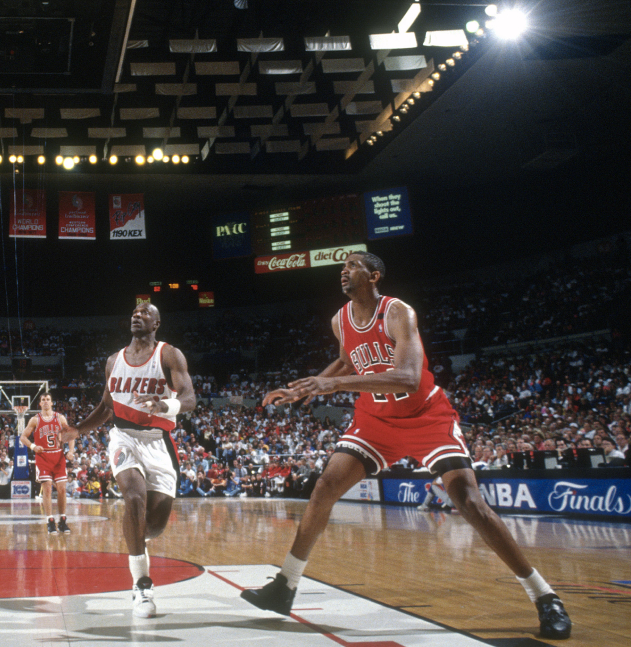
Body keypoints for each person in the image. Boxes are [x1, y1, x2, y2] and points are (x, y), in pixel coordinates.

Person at [240, 251, 572, 641]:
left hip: (426, 417)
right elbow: (348, 362)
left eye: (352, 266)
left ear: (374, 275)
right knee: (324, 488)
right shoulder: (340, 319)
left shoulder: (398, 313)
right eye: (341, 268)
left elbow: (410, 378)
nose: (343, 272)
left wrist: (334, 385)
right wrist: (302, 388)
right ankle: (285, 586)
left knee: (469, 502)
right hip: (375, 421)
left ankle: (544, 596)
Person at [60, 302, 196, 618]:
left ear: (157, 323)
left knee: (155, 525)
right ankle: (142, 586)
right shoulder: (113, 361)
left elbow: (189, 398)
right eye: (135, 312)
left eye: (145, 313)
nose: (137, 315)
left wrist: (164, 405)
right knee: (133, 498)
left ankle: (134, 536)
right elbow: (107, 407)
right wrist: (78, 430)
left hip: (158, 442)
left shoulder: (169, 355)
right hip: (124, 437)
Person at [20, 392, 76, 534]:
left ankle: (63, 520)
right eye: (43, 400)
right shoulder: (35, 419)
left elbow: (71, 435)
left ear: (52, 403)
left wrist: (71, 451)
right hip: (43, 457)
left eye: (48, 399)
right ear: (40, 403)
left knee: (62, 489)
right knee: (48, 489)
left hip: (58, 456)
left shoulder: (60, 418)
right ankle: (50, 521)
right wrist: (33, 446)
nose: (45, 402)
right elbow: (23, 437)